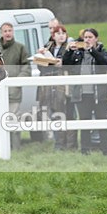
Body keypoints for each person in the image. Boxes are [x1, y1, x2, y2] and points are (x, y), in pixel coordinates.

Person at [63, 28, 107, 155]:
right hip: (82, 94)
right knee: (84, 122)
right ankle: (85, 150)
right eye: (85, 37)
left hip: (100, 94)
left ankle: (106, 150)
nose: (87, 40)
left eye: (90, 37)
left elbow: (105, 64)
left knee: (102, 122)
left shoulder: (102, 51)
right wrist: (68, 51)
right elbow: (66, 65)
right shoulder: (78, 54)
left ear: (96, 39)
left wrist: (92, 50)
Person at [36, 20, 77, 151]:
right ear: (53, 36)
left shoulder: (70, 47)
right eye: (57, 33)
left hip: (66, 87)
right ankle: (59, 144)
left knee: (69, 115)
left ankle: (71, 145)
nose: (61, 35)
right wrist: (41, 57)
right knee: (55, 116)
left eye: (63, 33)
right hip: (50, 86)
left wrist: (63, 62)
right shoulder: (47, 47)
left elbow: (73, 65)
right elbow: (40, 67)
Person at [0, 22, 30, 148]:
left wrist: (18, 81)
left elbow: (26, 66)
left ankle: (15, 147)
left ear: (13, 31)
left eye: (10, 30)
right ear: (1, 33)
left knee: (13, 119)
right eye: (5, 31)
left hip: (14, 92)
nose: (8, 33)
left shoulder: (20, 48)